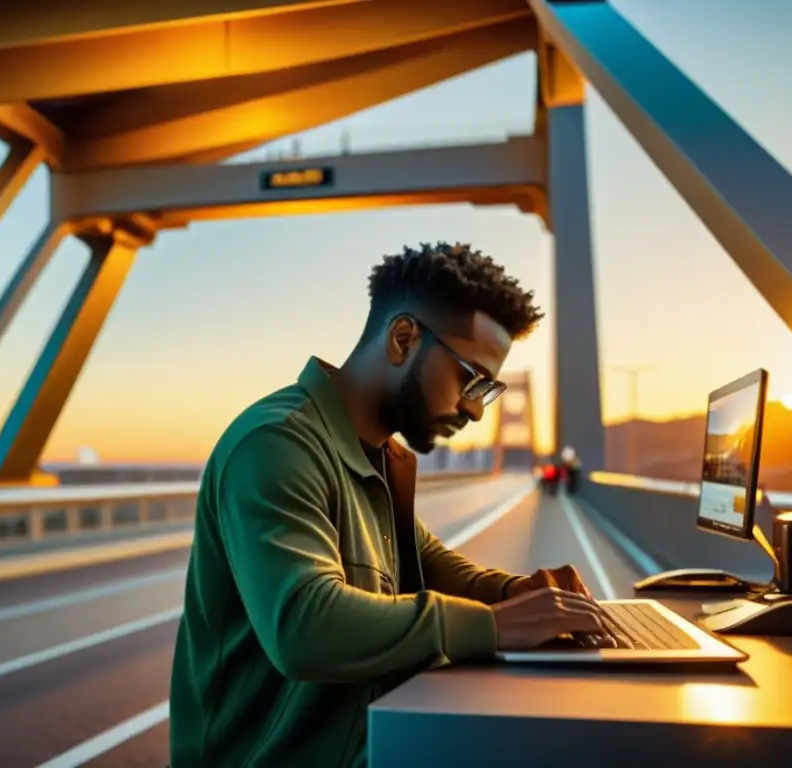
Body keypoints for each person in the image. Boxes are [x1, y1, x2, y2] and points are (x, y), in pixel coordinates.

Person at [169, 243, 615, 768]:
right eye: (470, 380)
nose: (475, 411)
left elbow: (427, 563)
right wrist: (494, 626)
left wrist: (518, 593)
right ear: (403, 339)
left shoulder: (378, 455)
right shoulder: (277, 445)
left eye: (488, 390)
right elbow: (303, 627)